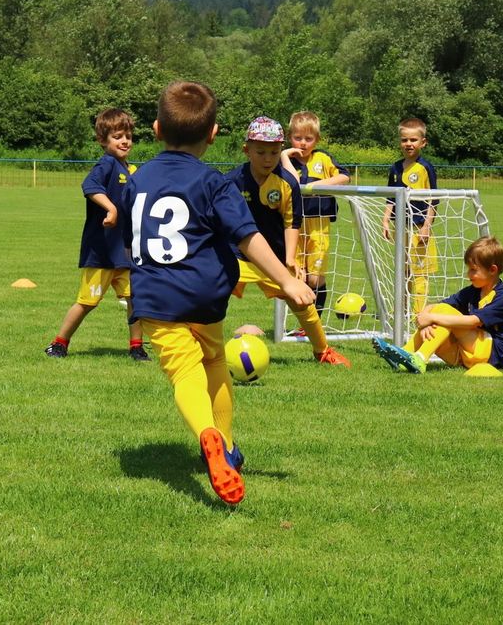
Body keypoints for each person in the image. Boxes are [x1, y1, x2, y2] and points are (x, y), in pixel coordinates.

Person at [119, 82, 315, 506]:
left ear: (156, 129)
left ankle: (207, 434)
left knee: (184, 372)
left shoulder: (136, 179)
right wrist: (286, 280)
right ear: (213, 134)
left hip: (156, 295)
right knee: (213, 363)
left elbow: (129, 239)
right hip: (205, 293)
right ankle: (224, 445)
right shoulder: (214, 182)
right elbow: (247, 236)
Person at [226, 116, 351, 367]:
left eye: (274, 152)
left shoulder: (287, 182)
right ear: (247, 150)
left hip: (274, 258)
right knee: (210, 292)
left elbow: (291, 221)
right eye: (261, 152)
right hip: (237, 254)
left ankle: (322, 351)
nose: (268, 158)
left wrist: (290, 258)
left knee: (301, 300)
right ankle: (196, 341)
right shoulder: (231, 181)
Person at [45, 108, 149, 361]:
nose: (125, 141)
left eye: (128, 136)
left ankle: (137, 347)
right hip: (101, 253)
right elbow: (90, 186)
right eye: (117, 137)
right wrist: (111, 208)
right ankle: (59, 343)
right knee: (87, 302)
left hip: (125, 252)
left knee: (135, 300)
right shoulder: (107, 164)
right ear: (103, 140)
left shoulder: (131, 170)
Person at [372, 236, 503, 375]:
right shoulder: (473, 291)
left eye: (473, 270)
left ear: (492, 270)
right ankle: (405, 354)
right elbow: (438, 305)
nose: (468, 274)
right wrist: (426, 319)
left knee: (444, 313)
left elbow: (473, 321)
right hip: (467, 354)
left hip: (495, 355)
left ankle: (420, 358)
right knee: (441, 312)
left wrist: (432, 318)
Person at [279, 110, 351, 313]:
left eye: (308, 138)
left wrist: (317, 186)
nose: (303, 143)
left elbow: (345, 177)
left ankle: (316, 321)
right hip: (293, 226)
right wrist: (284, 156)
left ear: (317, 139)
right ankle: (304, 322)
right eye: (297, 137)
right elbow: (292, 181)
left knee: (315, 277)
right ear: (289, 137)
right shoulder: (286, 162)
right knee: (298, 276)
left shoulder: (323, 158)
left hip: (319, 224)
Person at [381, 117, 438, 315]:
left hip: (419, 227)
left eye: (413, 140)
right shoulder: (395, 168)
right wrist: (385, 220)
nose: (408, 144)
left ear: (423, 142)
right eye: (404, 140)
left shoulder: (425, 168)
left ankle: (418, 314)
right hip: (400, 228)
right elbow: (391, 197)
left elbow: (434, 200)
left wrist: (427, 226)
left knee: (420, 273)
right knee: (403, 271)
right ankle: (401, 311)